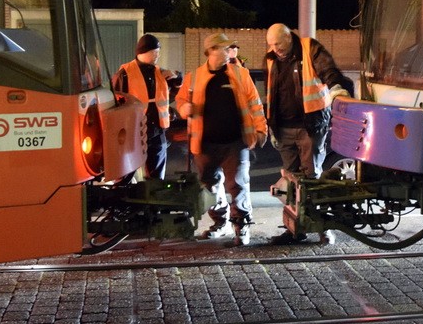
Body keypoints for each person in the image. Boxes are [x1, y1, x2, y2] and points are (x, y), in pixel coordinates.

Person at [264, 23, 353, 245]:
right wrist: (271, 126)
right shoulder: (272, 58)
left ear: (289, 37)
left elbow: (327, 70)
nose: (276, 49)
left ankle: (323, 227)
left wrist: (336, 88)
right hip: (284, 128)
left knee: (311, 179)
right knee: (290, 181)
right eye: (272, 45)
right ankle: (295, 229)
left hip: (310, 127)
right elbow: (272, 93)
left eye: (279, 44)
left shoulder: (308, 48)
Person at [176, 32, 267, 246]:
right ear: (212, 50)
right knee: (210, 187)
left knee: (238, 185)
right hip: (205, 144)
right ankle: (220, 223)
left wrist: (261, 129)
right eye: (225, 48)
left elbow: (255, 103)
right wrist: (183, 108)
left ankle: (241, 226)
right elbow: (180, 100)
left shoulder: (240, 74)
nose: (230, 52)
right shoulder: (195, 76)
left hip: (235, 142)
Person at [112, 34, 177, 180]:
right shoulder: (124, 74)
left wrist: (177, 79)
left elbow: (170, 96)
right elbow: (115, 104)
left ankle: (153, 200)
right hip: (133, 132)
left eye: (159, 52)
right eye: (155, 52)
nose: (158, 56)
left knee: (156, 177)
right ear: (143, 52)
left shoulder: (160, 72)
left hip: (156, 132)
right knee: (125, 174)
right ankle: (123, 198)